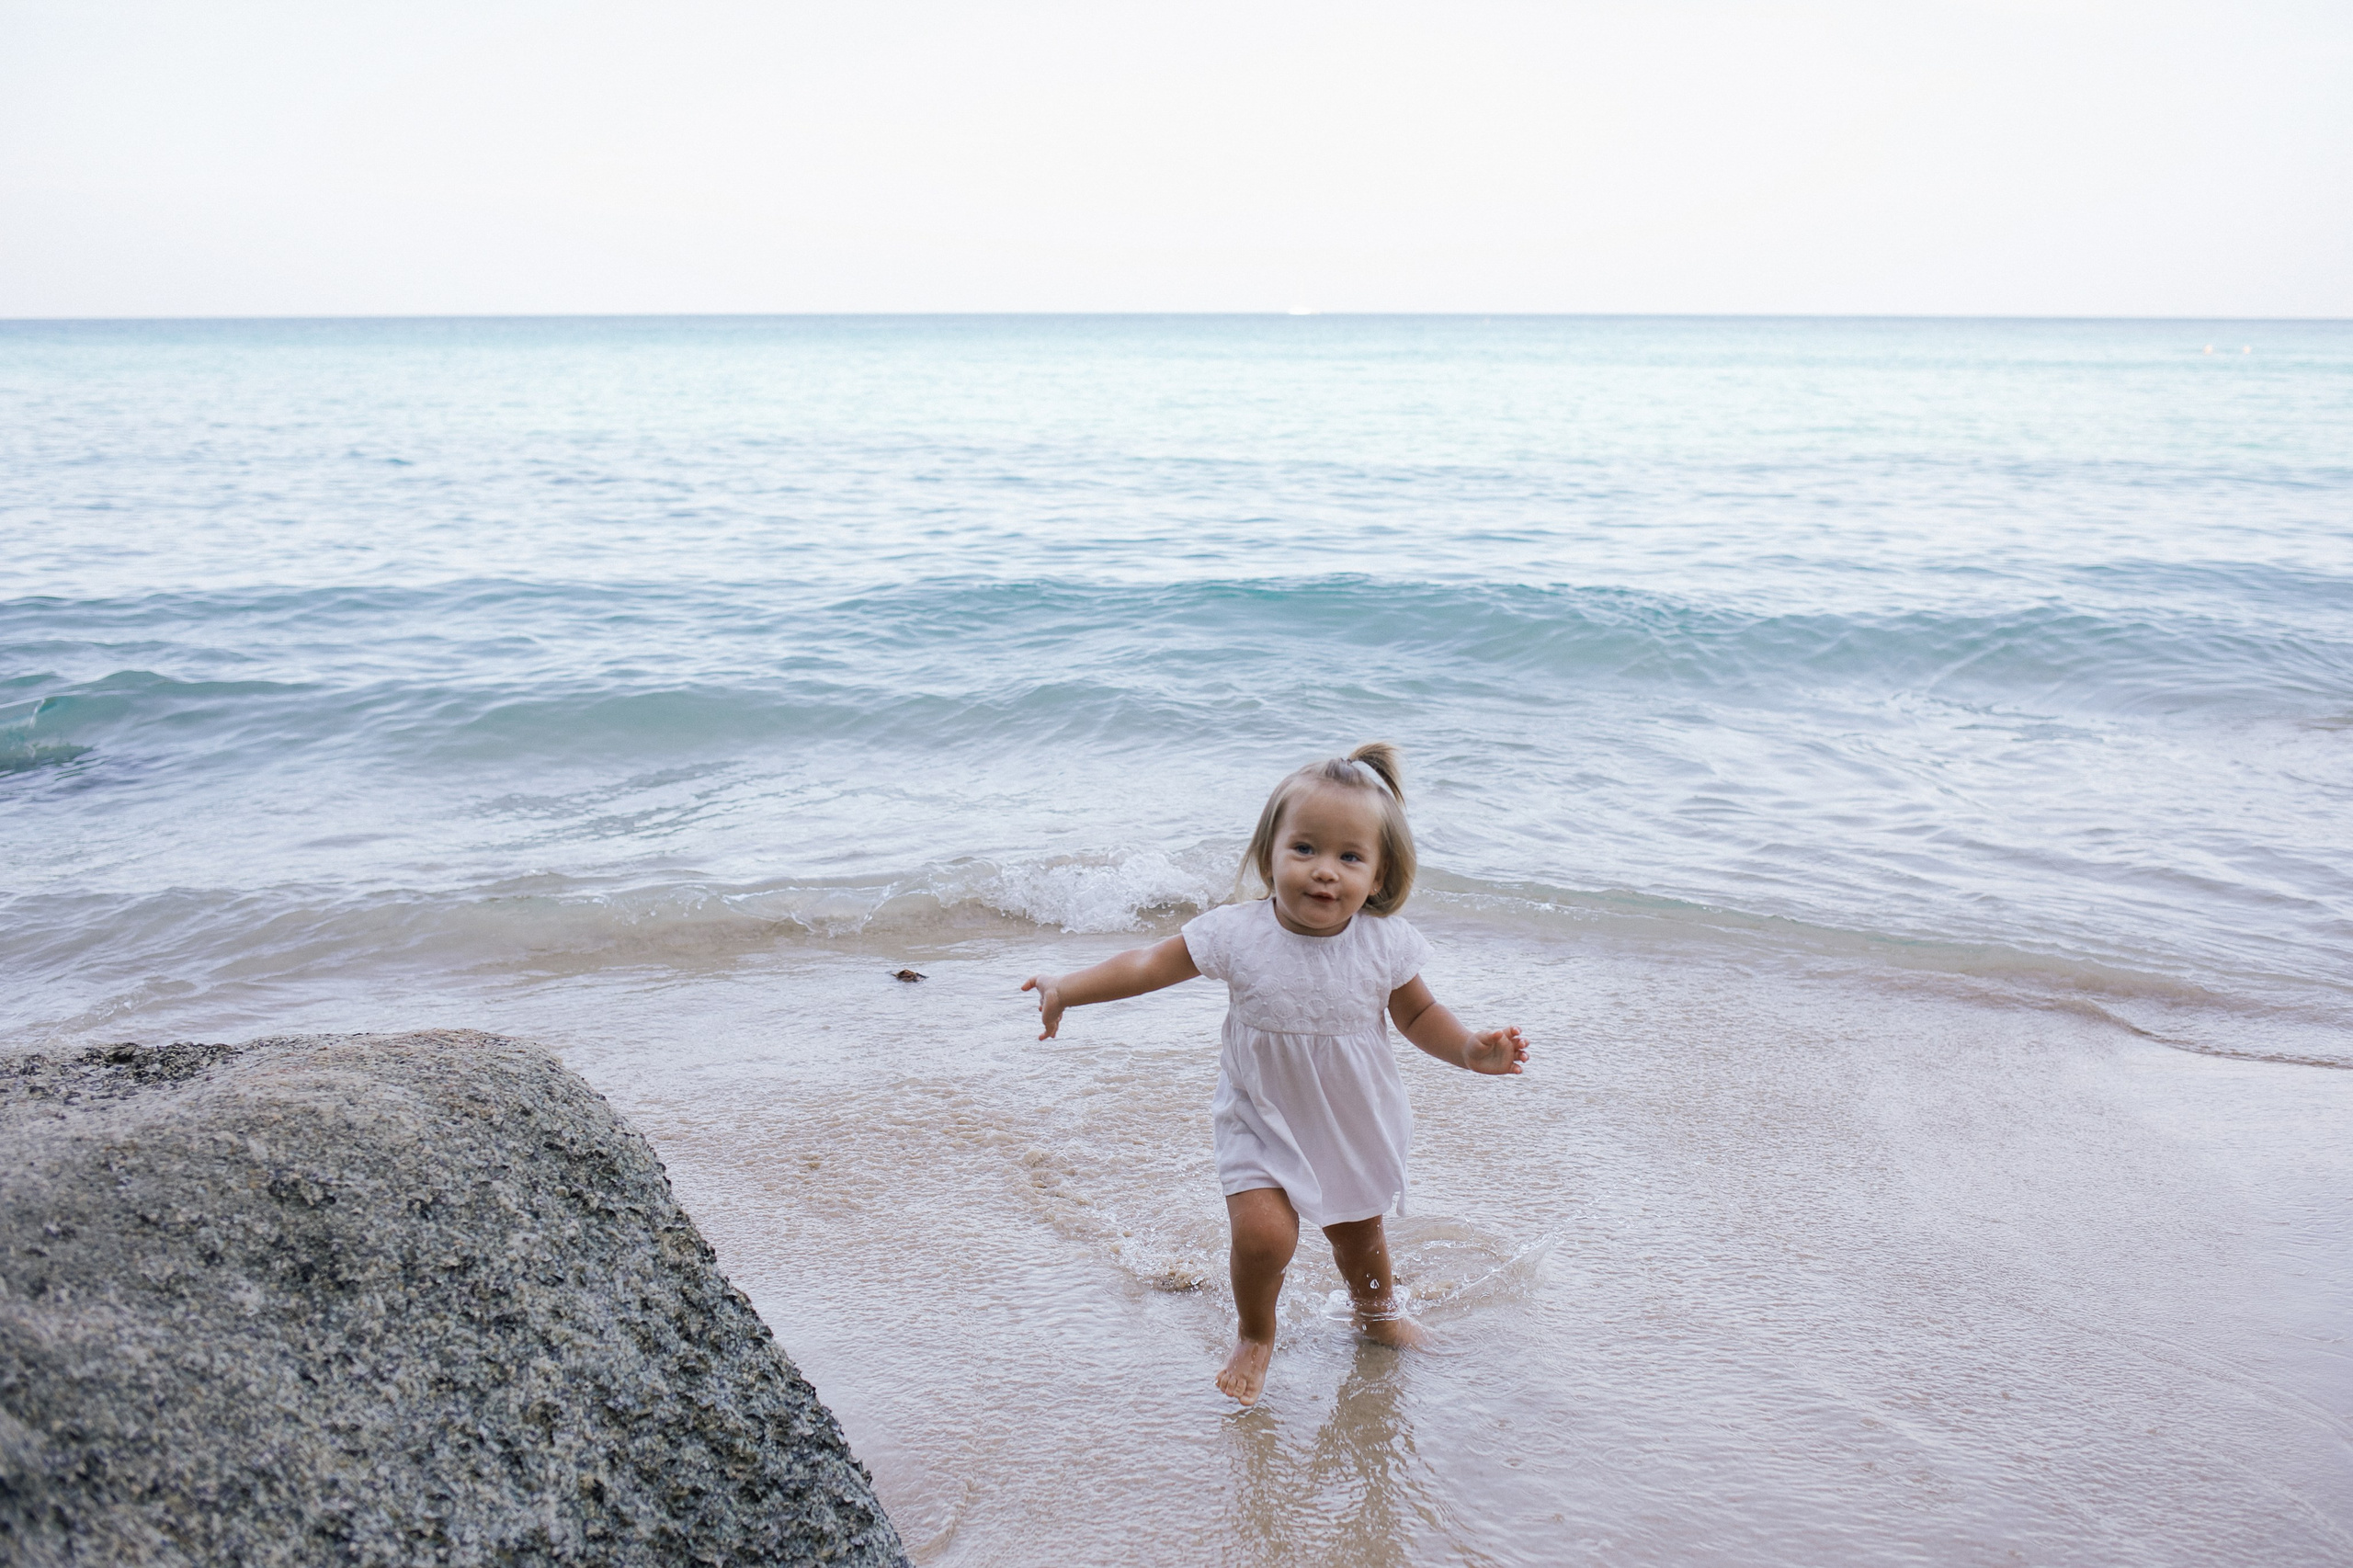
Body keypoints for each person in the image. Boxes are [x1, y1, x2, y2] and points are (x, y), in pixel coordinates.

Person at [1020, 743, 1529, 1404]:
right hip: (1259, 1117)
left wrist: (1468, 1049)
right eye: (1305, 850)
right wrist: (1066, 989)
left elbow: (1419, 1013)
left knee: (1359, 1237)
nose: (1325, 872)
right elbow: (1147, 964)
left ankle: (1377, 1317)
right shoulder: (1237, 934)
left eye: (1349, 858)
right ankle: (1257, 1332)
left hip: (1349, 1120)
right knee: (1263, 1236)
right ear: (1269, 857)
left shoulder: (1383, 944)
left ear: (1378, 876)